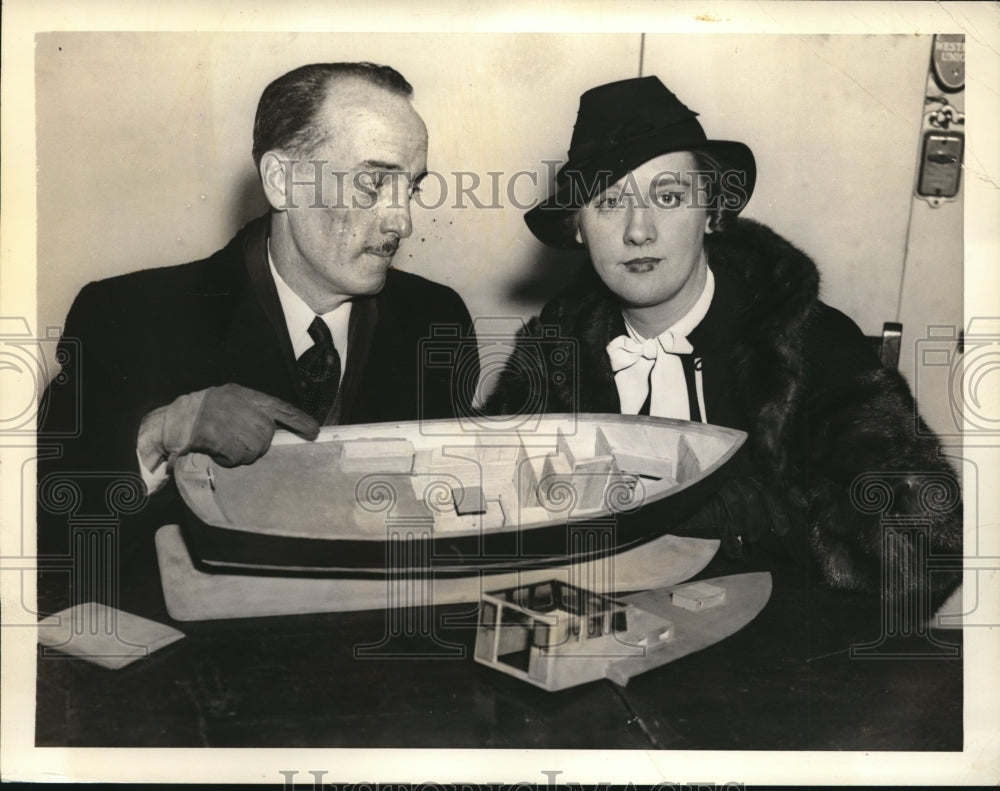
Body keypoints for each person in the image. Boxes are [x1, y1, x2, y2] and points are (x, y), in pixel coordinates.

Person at [486, 76, 961, 617]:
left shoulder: (802, 343)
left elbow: (928, 550)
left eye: (668, 196)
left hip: (775, 661)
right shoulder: (554, 357)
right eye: (609, 201)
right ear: (577, 227)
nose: (639, 231)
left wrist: (758, 518)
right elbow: (485, 515)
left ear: (712, 212)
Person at [37, 62, 478, 617]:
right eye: (373, 183)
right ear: (281, 181)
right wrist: (156, 434)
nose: (402, 221)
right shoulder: (129, 316)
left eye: (410, 188)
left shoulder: (435, 320)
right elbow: (45, 538)